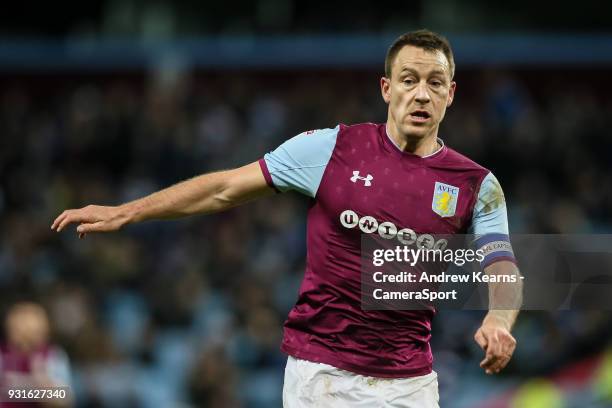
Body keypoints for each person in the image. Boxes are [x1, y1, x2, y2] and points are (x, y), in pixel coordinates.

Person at [52, 29, 522, 407]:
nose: (421, 93)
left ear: (451, 94)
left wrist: (500, 319)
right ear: (386, 88)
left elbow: (501, 264)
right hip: (321, 377)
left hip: (410, 383)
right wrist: (127, 211)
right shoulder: (330, 149)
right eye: (409, 79)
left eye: (435, 82)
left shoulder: (476, 185)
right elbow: (224, 189)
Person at [0, 302, 72, 408]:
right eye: (19, 330)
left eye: (32, 332)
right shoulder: (2, 354)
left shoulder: (53, 355)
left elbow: (65, 398)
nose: (25, 338)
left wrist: (42, 382)